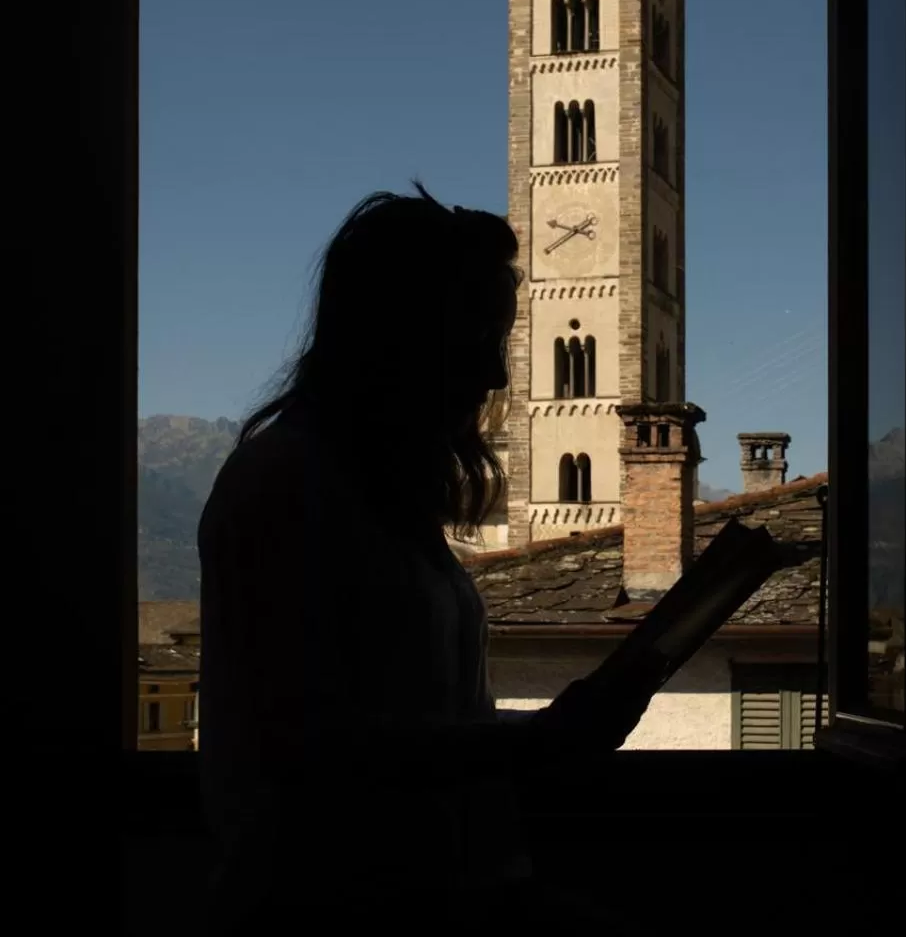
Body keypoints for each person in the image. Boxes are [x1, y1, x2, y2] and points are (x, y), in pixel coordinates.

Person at [198, 187, 650, 928]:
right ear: (397, 338)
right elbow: (313, 747)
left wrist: (533, 734)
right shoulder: (286, 484)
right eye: (478, 342)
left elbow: (417, 717)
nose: (498, 378)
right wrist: (532, 744)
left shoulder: (374, 491)